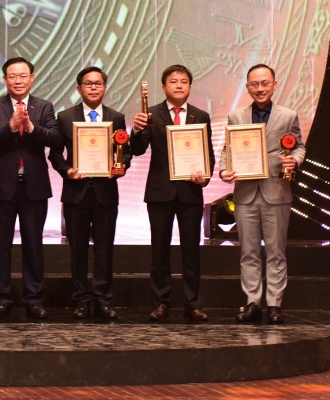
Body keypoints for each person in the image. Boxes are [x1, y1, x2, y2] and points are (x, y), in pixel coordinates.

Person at [220, 64, 306, 325]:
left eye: (265, 83)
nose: (260, 88)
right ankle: (252, 302)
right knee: (248, 252)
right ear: (248, 87)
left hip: (276, 191)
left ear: (274, 85)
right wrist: (223, 170)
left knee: (276, 252)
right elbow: (226, 150)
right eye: (255, 84)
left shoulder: (288, 116)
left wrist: (295, 161)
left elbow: (299, 147)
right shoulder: (236, 116)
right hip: (245, 194)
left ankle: (274, 304)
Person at [129, 64, 214, 323]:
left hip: (190, 192)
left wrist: (205, 176)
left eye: (184, 81)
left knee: (192, 252)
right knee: (159, 251)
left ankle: (193, 304)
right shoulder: (151, 114)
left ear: (190, 86)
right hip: (160, 193)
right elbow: (138, 149)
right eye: (174, 81)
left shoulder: (201, 116)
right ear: (164, 87)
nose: (179, 85)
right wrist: (136, 130)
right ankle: (161, 303)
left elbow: (208, 153)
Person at [0, 57, 62, 319]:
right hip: (1, 187)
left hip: (34, 186)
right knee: (0, 246)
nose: (18, 80)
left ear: (32, 78)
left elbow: (55, 138)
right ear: (5, 80)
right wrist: (11, 127)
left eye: (23, 76)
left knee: (34, 246)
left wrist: (32, 127)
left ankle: (33, 300)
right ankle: (2, 300)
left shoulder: (44, 106)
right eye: (12, 76)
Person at [49, 66, 131, 320]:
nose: (93, 87)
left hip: (106, 193)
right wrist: (67, 170)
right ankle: (81, 300)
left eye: (98, 83)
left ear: (105, 87)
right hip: (76, 193)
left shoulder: (117, 117)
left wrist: (121, 166)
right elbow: (55, 154)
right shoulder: (64, 117)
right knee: (78, 250)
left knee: (105, 249)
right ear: (79, 88)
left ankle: (103, 300)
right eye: (88, 83)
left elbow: (125, 151)